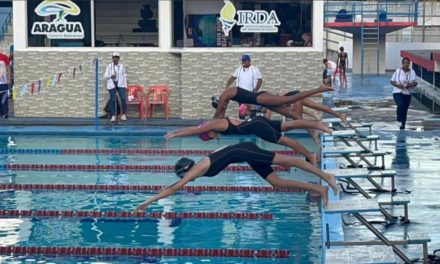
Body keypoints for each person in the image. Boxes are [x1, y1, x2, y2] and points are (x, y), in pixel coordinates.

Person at [135, 142, 338, 212]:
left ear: (185, 171)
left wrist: (148, 201)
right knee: (276, 182)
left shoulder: (197, 170)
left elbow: (176, 187)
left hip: (246, 152)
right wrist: (157, 194)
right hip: (245, 153)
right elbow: (175, 185)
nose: (188, 179)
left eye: (184, 176)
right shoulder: (198, 166)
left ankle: (325, 176)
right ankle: (320, 189)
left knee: (289, 161)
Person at [165, 116, 333, 165]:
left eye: (206, 138)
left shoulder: (215, 124)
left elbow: (194, 129)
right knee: (288, 125)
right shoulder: (216, 124)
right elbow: (195, 129)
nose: (209, 140)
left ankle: (310, 155)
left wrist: (175, 134)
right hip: (257, 122)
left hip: (257, 127)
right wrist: (175, 132)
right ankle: (318, 125)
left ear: (208, 132)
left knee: (286, 141)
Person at [212, 84, 334, 120]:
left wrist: (213, 119)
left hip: (261, 98)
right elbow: (221, 116)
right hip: (263, 102)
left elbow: (218, 113)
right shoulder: (227, 97)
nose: (225, 106)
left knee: (290, 99)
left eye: (223, 106)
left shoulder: (226, 94)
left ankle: (319, 88)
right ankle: (316, 129)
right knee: (295, 116)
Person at [225, 54, 263, 119]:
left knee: (252, 109)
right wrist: (227, 86)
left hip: (251, 93)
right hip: (240, 93)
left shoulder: (255, 69)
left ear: (249, 61)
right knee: (242, 110)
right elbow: (232, 78)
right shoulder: (239, 69)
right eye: (242, 61)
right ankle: (241, 123)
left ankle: (253, 122)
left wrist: (256, 89)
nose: (243, 62)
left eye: (244, 61)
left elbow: (260, 80)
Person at [390, 57, 417, 130]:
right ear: (402, 63)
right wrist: (398, 85)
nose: (406, 64)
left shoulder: (412, 72)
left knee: (405, 109)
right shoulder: (397, 71)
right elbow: (392, 81)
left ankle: (403, 125)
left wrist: (410, 85)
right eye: (405, 63)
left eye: (408, 63)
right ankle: (399, 120)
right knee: (401, 105)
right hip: (397, 92)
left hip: (407, 93)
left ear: (409, 64)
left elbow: (415, 82)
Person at [104, 52, 128, 123]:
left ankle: (123, 114)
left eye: (117, 57)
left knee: (123, 99)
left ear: (119, 58)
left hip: (120, 84)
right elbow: (105, 75)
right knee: (113, 100)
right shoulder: (109, 66)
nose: (115, 59)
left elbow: (124, 76)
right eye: (114, 57)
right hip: (112, 84)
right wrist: (110, 76)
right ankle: (113, 115)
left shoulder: (122, 66)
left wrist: (125, 86)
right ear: (112, 58)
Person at [0, 51, 11, 119]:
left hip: (3, 82)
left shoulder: (4, 57)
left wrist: (9, 79)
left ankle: (5, 113)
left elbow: (8, 69)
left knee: (4, 99)